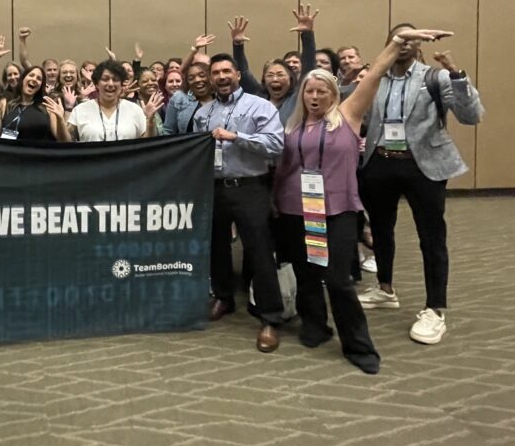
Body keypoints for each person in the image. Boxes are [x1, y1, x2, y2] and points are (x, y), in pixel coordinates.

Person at [272, 29, 450, 372]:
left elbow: (376, 73)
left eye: (322, 91)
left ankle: (358, 346)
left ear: (333, 94)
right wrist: (275, 201)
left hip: (338, 211)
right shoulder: (292, 129)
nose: (314, 96)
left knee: (337, 279)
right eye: (309, 90)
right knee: (307, 273)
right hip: (297, 209)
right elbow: (284, 169)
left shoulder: (347, 116)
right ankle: (315, 326)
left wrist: (397, 42)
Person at [357, 24, 484, 345]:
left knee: (431, 237)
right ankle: (385, 288)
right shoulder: (373, 79)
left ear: (419, 46)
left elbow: (471, 116)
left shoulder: (434, 78)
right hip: (380, 162)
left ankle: (435, 309)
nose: (403, 45)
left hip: (422, 166)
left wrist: (456, 73)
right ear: (388, 45)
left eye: (411, 40)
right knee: (381, 230)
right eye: (397, 40)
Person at [193, 54, 285, 353]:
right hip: (215, 188)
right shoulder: (203, 113)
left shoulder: (260, 106)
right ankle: (224, 297)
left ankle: (270, 317)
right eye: (216, 72)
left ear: (237, 74)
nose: (221, 77)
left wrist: (237, 137)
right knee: (216, 246)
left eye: (226, 71)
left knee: (259, 252)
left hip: (249, 187)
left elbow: (275, 144)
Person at [58, 60, 162, 142]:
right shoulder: (80, 109)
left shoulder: (135, 109)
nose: (111, 84)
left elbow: (147, 144)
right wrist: (60, 119)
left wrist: (150, 121)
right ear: (97, 84)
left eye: (116, 79)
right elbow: (66, 142)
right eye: (105, 79)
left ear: (121, 85)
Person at [0, 66, 61, 142]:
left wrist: (61, 120)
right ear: (22, 79)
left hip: (40, 153)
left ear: (41, 85)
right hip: (13, 154)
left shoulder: (47, 106)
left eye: (39, 78)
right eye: (31, 75)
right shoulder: (5, 104)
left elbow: (61, 139)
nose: (34, 79)